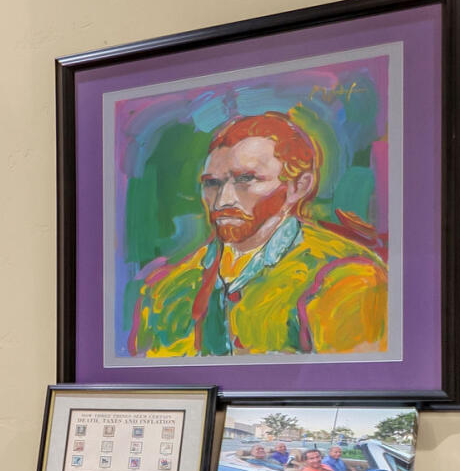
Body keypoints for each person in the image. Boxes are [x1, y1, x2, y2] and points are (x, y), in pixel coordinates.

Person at [129, 111, 385, 359]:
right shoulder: (164, 291)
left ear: (298, 187)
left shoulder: (349, 276)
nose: (222, 201)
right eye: (212, 183)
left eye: (246, 179)